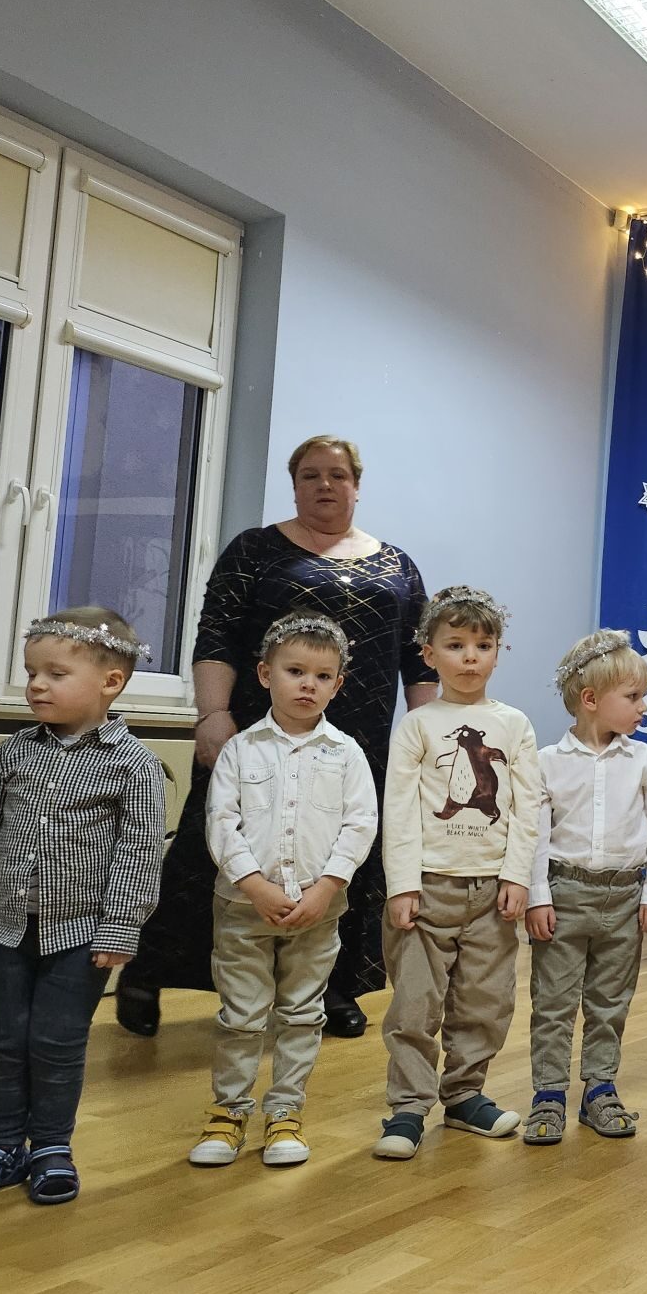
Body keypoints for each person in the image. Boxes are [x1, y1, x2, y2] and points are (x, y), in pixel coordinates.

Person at [123, 435, 437, 1040]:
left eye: (337, 475)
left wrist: (424, 738)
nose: (325, 485)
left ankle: (333, 986)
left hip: (357, 742)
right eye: (310, 475)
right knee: (209, 850)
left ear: (356, 485)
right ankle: (151, 969)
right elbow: (216, 635)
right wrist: (212, 715)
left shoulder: (397, 566)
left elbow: (417, 658)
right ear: (294, 485)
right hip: (253, 734)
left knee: (343, 852)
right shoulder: (254, 549)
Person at [0, 608, 165, 1207]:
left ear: (110, 682)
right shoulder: (12, 752)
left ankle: (52, 1148)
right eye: (32, 672)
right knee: (1, 1040)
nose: (36, 685)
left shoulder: (133, 763)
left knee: (56, 1042)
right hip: (3, 928)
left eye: (55, 674)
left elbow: (138, 851)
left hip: (80, 934)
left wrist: (121, 925)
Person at [188, 613, 377, 1169]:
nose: (307, 685)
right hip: (244, 908)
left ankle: (285, 1113)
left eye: (322, 676)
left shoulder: (346, 753)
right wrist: (254, 885)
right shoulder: (240, 750)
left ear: (338, 685)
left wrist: (326, 887)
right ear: (265, 674)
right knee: (242, 1015)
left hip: (319, 909)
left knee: (302, 1014)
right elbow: (221, 822)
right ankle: (228, 1114)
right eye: (295, 671)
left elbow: (360, 825)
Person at [373, 587, 538, 1160]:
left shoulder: (514, 725)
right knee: (415, 1003)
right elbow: (398, 808)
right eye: (455, 645)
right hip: (428, 887)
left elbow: (527, 807)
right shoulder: (418, 725)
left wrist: (517, 877)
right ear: (429, 653)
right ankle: (408, 1106)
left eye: (482, 645)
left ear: (498, 652)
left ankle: (466, 1095)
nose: (470, 656)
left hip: (492, 891)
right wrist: (402, 886)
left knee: (485, 1001)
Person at [522, 631, 647, 1145]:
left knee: (610, 1002)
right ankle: (548, 1094)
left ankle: (600, 1088)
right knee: (553, 1002)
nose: (643, 707)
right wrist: (537, 895)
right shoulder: (547, 761)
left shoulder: (644, 760)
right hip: (564, 895)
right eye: (633, 697)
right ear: (591, 699)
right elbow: (536, 836)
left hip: (625, 898)